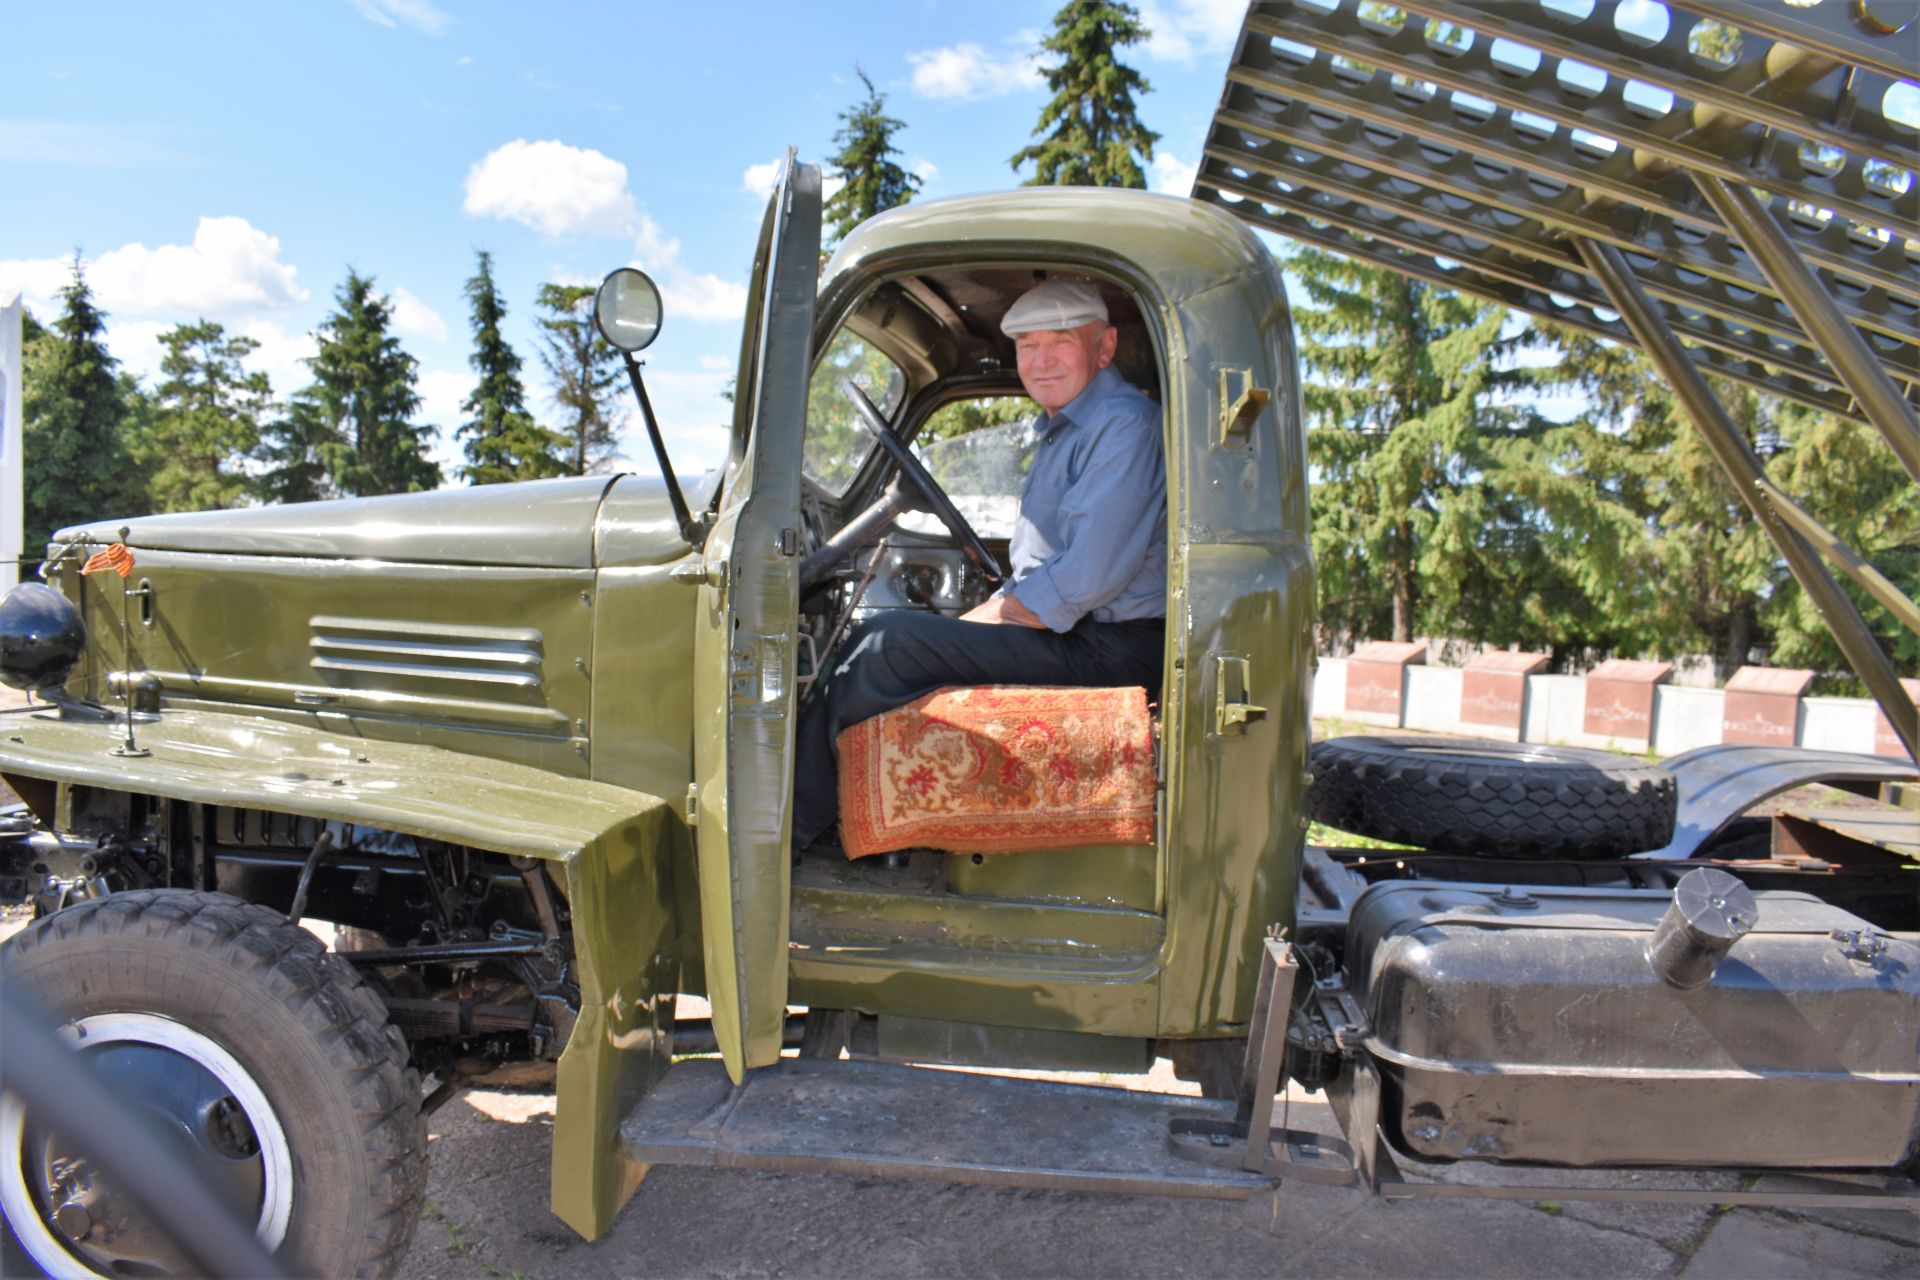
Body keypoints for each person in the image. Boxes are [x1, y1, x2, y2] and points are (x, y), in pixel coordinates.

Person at [791, 277, 1168, 851]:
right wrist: (995, 608)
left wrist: (989, 618)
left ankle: (789, 835)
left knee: (886, 645)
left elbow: (1085, 579)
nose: (1041, 362)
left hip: (1110, 646)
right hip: (1086, 632)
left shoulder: (1121, 424)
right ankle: (858, 813)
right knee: (897, 641)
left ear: (1105, 346)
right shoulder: (1068, 424)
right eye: (1026, 346)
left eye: (1060, 341)